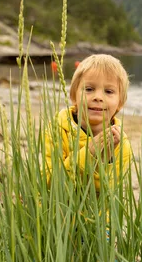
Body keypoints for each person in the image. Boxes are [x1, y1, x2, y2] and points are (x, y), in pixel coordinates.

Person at [44, 54, 132, 191]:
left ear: (120, 103)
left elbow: (107, 196)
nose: (98, 97)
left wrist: (105, 160)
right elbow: (50, 183)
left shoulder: (121, 145)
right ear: (74, 96)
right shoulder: (58, 129)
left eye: (108, 91)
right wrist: (89, 154)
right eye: (89, 89)